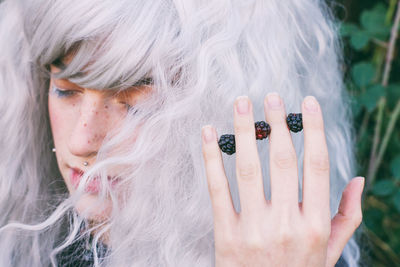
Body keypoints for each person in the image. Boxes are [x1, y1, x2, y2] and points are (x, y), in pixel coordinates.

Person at [0, 0, 364, 266]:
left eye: (135, 100)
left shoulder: (302, 255)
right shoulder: (20, 240)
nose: (81, 141)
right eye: (65, 89)